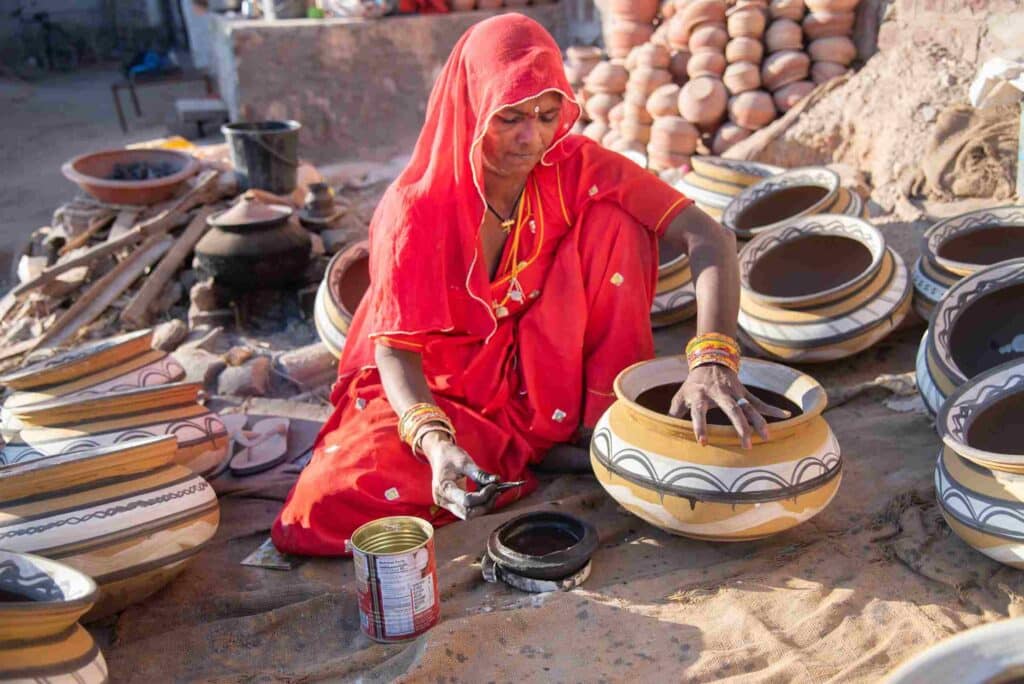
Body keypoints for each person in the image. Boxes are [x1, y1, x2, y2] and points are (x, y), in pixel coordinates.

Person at [272, 13, 785, 556]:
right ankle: (532, 451)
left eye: (546, 114)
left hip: (540, 367)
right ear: (471, 109)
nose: (531, 137)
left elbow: (710, 237)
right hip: (436, 388)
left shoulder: (572, 164)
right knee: (322, 507)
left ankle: (589, 426)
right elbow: (396, 353)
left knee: (618, 219)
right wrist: (435, 442)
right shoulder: (416, 209)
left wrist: (712, 360)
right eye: (509, 118)